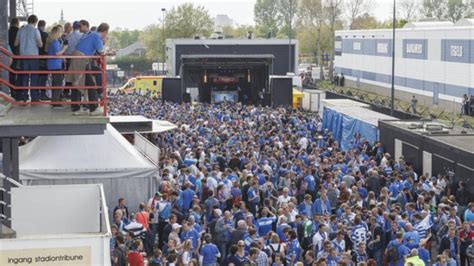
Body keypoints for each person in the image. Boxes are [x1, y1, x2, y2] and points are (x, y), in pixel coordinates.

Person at [70, 20, 108, 115]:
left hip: (76, 58)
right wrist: (104, 43)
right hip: (81, 60)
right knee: (90, 84)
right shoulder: (97, 37)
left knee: (76, 83)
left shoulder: (91, 34)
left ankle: (76, 108)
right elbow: (101, 52)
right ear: (105, 32)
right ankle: (94, 108)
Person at [15, 14, 43, 102]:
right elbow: (40, 44)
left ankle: (24, 96)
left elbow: (15, 43)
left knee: (24, 76)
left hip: (23, 56)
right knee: (34, 76)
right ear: (35, 22)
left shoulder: (21, 30)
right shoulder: (35, 31)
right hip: (33, 56)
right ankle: (34, 97)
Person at [45, 25, 68, 108]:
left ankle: (55, 101)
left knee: (56, 83)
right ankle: (55, 101)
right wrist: (65, 48)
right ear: (57, 33)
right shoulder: (55, 42)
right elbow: (58, 54)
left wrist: (62, 58)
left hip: (53, 65)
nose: (62, 33)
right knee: (58, 84)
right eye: (60, 32)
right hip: (55, 65)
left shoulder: (53, 42)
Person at [64, 21, 83, 99]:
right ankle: (77, 93)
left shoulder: (68, 36)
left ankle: (66, 91)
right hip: (78, 58)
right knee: (77, 77)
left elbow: (65, 47)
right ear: (79, 27)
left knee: (69, 76)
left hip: (69, 58)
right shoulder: (81, 36)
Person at [37, 20, 50, 101]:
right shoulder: (45, 35)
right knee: (43, 77)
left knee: (36, 77)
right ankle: (42, 94)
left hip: (35, 58)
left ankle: (35, 94)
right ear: (44, 26)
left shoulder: (34, 33)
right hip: (44, 58)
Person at [8, 17, 20, 100]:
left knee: (11, 73)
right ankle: (17, 91)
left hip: (8, 54)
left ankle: (12, 91)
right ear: (18, 23)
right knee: (18, 73)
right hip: (17, 55)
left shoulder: (7, 31)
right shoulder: (19, 31)